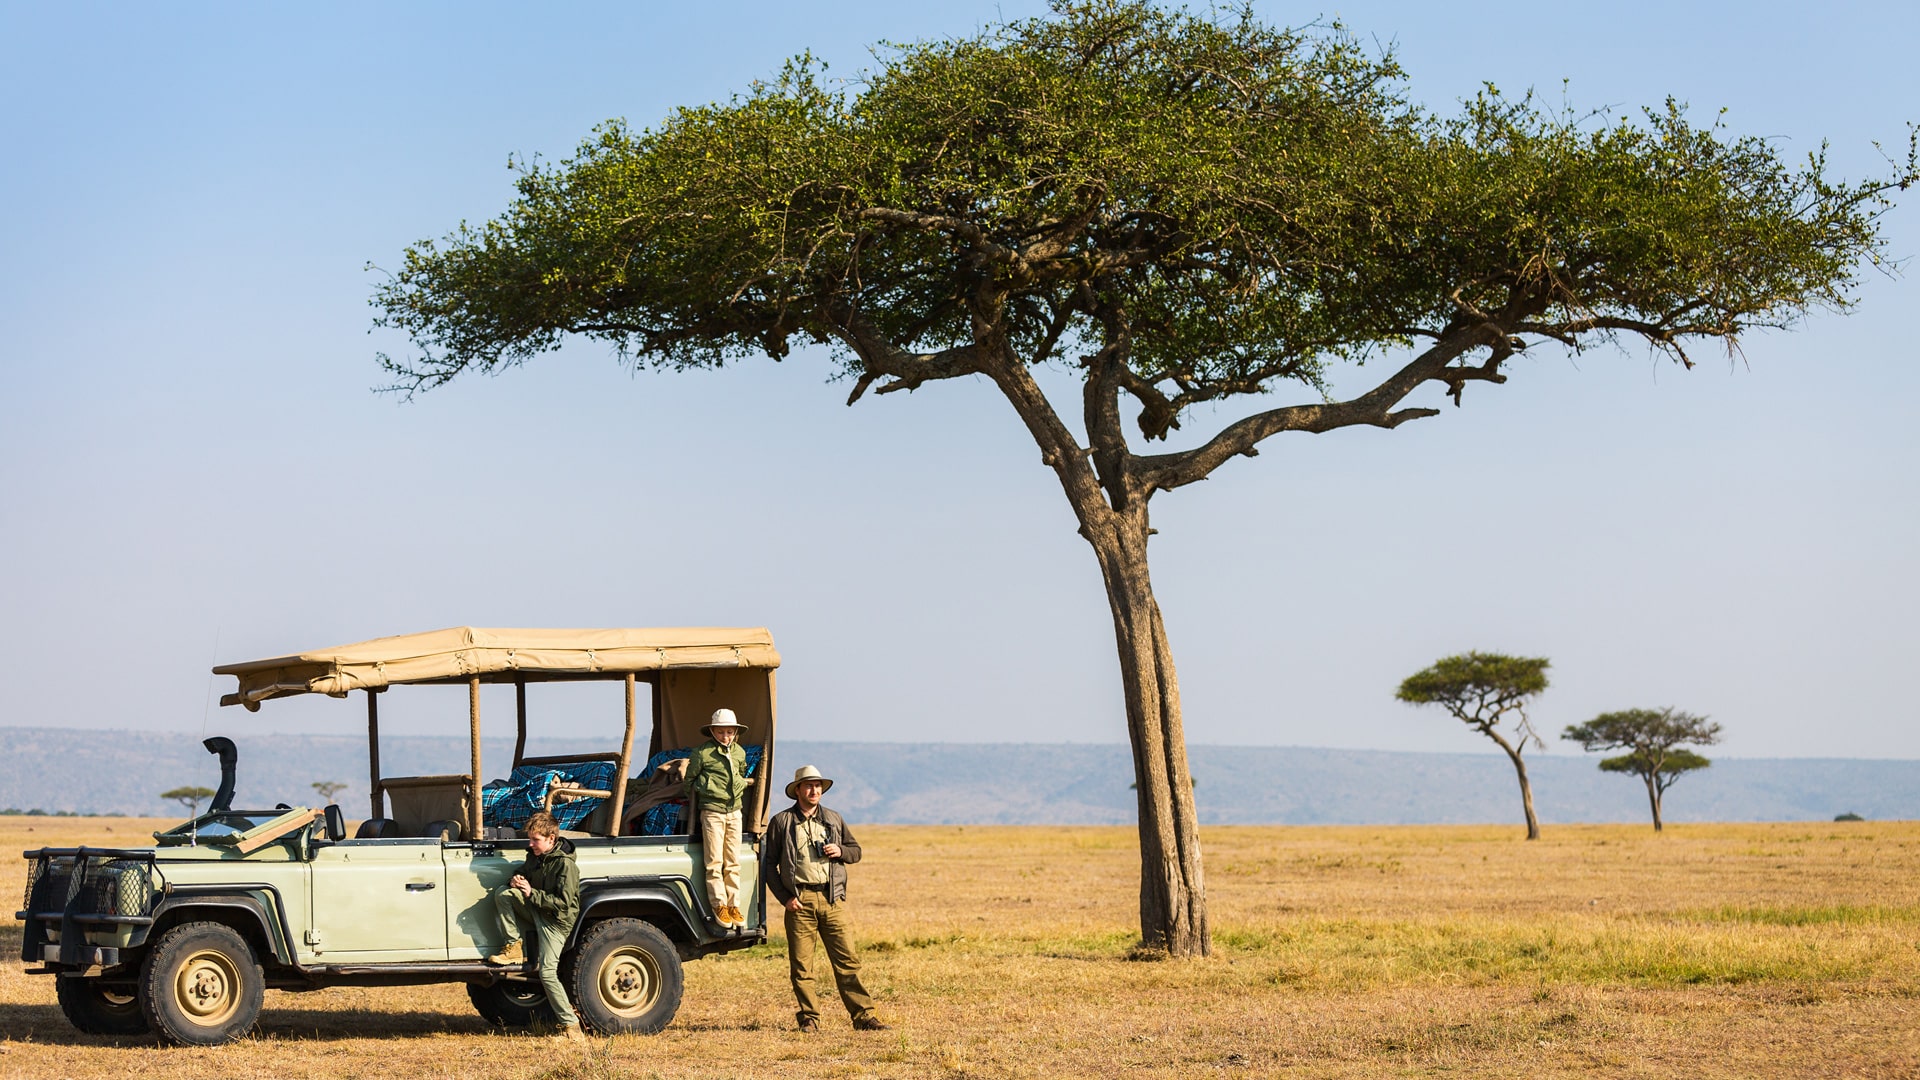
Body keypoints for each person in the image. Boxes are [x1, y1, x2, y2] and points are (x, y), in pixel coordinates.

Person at [761, 764, 890, 1033]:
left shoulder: (833, 819)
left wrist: (840, 850)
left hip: (832, 900)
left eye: (818, 786)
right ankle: (810, 1019)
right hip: (800, 902)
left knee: (847, 961)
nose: (814, 790)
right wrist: (785, 898)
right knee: (802, 966)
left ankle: (864, 1016)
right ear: (797, 790)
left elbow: (856, 852)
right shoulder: (782, 822)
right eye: (808, 785)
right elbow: (768, 865)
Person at [485, 809, 585, 1042]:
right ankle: (514, 947)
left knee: (547, 972)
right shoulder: (535, 856)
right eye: (530, 839)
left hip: (555, 922)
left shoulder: (566, 866)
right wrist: (516, 880)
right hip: (537, 908)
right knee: (504, 894)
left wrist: (532, 893)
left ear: (551, 839)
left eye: (535, 840)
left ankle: (572, 1029)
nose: (530, 844)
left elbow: (563, 904)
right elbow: (523, 872)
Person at [685, 707, 755, 928]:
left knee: (733, 861)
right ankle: (719, 905)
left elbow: (741, 773)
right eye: (721, 732)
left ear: (735, 732)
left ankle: (734, 905)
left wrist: (741, 784)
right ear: (713, 731)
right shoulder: (702, 753)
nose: (726, 736)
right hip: (712, 811)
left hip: (735, 811)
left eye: (730, 732)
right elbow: (689, 781)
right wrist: (707, 789)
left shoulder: (740, 753)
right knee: (714, 862)